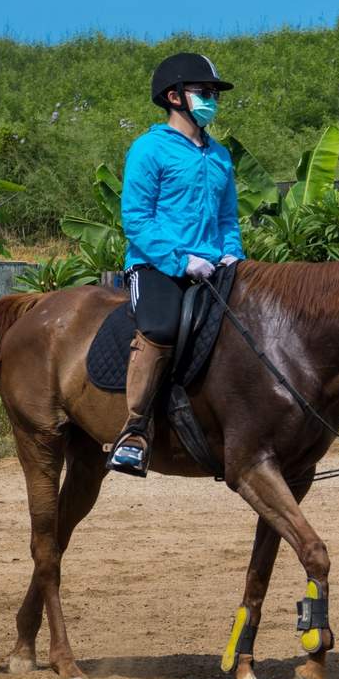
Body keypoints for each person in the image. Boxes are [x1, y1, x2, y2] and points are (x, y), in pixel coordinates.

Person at [108, 52, 244, 476]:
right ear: (174, 96)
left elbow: (227, 218)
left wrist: (232, 252)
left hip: (215, 266)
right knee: (161, 328)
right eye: (204, 92)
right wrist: (181, 260)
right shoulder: (148, 149)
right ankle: (134, 431)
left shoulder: (219, 155)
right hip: (155, 267)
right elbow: (136, 218)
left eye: (214, 94)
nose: (212, 100)